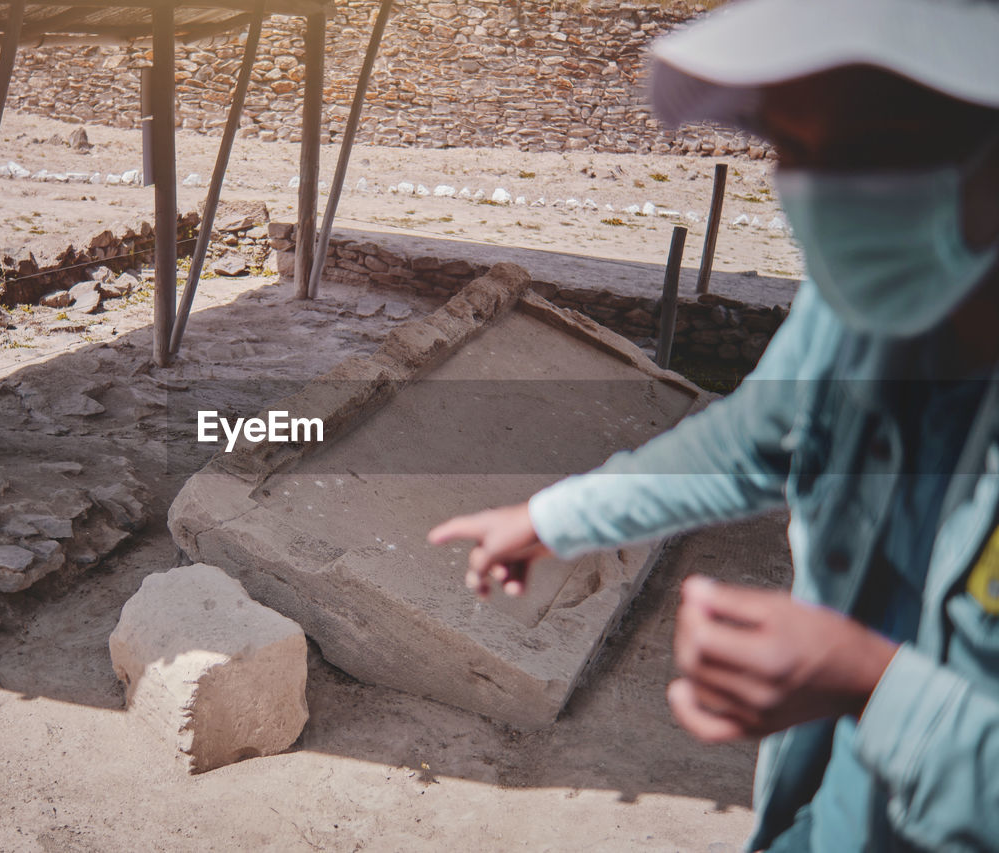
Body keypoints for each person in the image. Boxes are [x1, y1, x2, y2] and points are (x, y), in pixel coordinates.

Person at [428, 0, 999, 849]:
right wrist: (553, 519)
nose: (821, 196)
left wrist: (875, 689)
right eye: (793, 151)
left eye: (872, 146)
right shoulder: (867, 308)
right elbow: (755, 437)